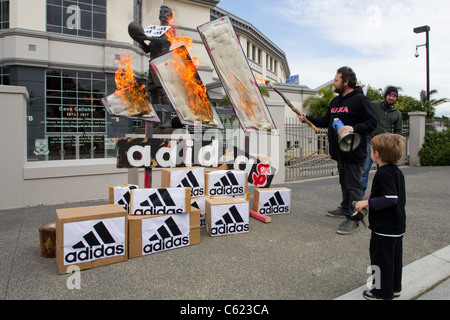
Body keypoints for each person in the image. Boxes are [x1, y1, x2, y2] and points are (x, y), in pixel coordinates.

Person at [298, 66, 377, 234]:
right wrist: (307, 119)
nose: (333, 83)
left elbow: (372, 123)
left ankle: (354, 218)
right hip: (339, 152)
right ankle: (345, 208)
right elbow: (325, 120)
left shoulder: (360, 100)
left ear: (346, 82)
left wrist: (353, 128)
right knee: (344, 183)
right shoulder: (335, 102)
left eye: (336, 80)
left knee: (354, 185)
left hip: (354, 151)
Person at [354, 133, 406, 300]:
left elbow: (390, 198)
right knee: (395, 260)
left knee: (380, 261)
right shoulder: (396, 172)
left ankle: (380, 293)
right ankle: (395, 288)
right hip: (397, 227)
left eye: (371, 150)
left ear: (376, 154)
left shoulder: (383, 174)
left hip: (384, 228)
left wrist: (366, 203)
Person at [361, 86, 403, 193]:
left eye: (394, 96)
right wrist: (359, 90)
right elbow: (363, 103)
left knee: (384, 171)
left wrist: (394, 145)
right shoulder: (375, 105)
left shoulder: (397, 113)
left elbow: (398, 131)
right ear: (385, 96)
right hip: (370, 142)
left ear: (396, 98)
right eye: (389, 95)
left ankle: (382, 192)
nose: (391, 98)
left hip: (385, 146)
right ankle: (360, 191)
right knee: (364, 169)